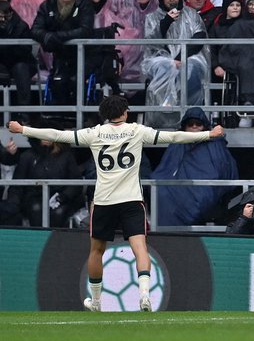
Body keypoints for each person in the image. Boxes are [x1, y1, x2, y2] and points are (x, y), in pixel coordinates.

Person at [7, 95, 227, 312]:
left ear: (104, 115)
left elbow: (57, 134)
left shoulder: (94, 134)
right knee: (140, 248)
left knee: (96, 251)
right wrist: (209, 134)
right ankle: (144, 295)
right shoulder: (137, 131)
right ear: (125, 113)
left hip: (104, 202)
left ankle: (95, 301)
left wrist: (23, 130)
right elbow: (174, 137)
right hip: (132, 200)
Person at [151, 107, 238, 225]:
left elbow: (226, 170)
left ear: (205, 126)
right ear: (184, 127)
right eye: (190, 124)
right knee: (161, 192)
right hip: (179, 190)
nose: (194, 127)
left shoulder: (215, 144)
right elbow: (166, 170)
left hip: (207, 191)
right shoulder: (177, 145)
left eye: (198, 124)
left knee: (205, 195)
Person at [142, 0, 210, 127]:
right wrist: (166, 22)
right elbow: (152, 44)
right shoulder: (152, 17)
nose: (172, 0)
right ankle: (166, 107)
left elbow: (199, 37)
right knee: (165, 67)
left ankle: (190, 111)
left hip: (190, 56)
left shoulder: (191, 14)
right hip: (161, 58)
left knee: (191, 67)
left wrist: (180, 57)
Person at [6, 120, 85, 227]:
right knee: (36, 209)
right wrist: (13, 204)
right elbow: (17, 184)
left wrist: (63, 197)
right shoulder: (27, 156)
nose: (46, 138)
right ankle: (38, 241)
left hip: (61, 198)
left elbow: (76, 182)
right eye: (41, 134)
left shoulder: (66, 156)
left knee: (59, 212)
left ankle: (57, 242)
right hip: (34, 198)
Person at [31, 0, 94, 105]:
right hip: (59, 56)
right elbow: (35, 29)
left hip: (83, 56)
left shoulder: (84, 4)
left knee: (77, 82)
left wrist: (56, 37)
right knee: (58, 83)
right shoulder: (46, 6)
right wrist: (46, 36)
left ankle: (82, 118)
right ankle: (61, 118)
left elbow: (85, 30)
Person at [0, 0, 37, 117]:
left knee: (21, 69)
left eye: (4, 16)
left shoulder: (21, 26)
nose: (2, 20)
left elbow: (25, 51)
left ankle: (24, 113)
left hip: (21, 63)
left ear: (10, 13)